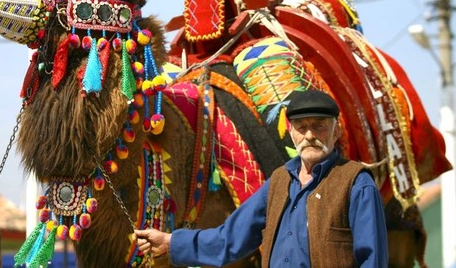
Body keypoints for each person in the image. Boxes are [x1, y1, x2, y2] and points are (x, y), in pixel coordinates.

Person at [135, 89, 388, 267]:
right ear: (292, 133)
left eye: (319, 126)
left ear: (336, 132)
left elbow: (372, 259)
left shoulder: (356, 184)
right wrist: (170, 243)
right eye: (302, 127)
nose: (310, 135)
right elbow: (229, 240)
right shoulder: (279, 182)